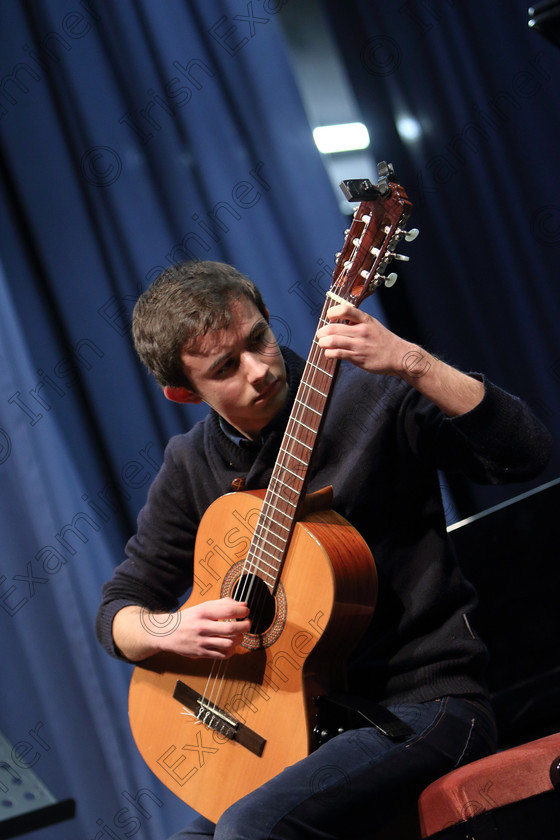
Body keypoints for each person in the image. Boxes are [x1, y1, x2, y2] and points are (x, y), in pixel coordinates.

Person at [96, 259, 552, 840]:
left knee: (250, 828)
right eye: (226, 368)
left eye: (257, 339)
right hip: (288, 734)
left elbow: (524, 454)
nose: (259, 369)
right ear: (185, 393)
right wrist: (171, 630)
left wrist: (413, 363)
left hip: (423, 705)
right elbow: (118, 612)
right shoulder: (190, 464)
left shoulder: (372, 397)